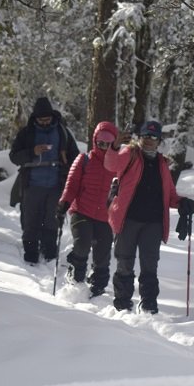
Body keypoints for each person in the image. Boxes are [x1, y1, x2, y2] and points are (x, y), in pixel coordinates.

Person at [104, 120, 194, 313]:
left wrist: (182, 202)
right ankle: (122, 304)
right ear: (141, 137)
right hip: (128, 219)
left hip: (153, 223)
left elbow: (169, 194)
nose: (149, 140)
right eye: (146, 136)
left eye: (154, 137)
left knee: (150, 265)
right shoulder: (129, 154)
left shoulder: (162, 164)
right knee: (125, 262)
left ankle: (149, 306)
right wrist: (115, 146)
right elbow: (110, 164)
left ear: (159, 141)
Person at [56, 121, 130, 296]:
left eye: (108, 143)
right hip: (82, 211)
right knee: (82, 244)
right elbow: (71, 185)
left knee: (102, 255)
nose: (104, 147)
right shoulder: (84, 159)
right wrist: (64, 203)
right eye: (100, 143)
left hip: (106, 217)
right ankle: (75, 279)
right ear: (94, 141)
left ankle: (97, 289)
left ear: (115, 143)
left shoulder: (120, 165)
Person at [9, 96, 79, 264]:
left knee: (52, 219)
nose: (45, 122)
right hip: (32, 183)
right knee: (31, 219)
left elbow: (75, 157)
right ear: (35, 118)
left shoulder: (63, 132)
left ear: (52, 116)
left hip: (56, 184)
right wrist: (32, 151)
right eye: (42, 120)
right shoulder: (27, 133)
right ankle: (30, 252)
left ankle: (50, 252)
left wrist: (66, 164)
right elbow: (14, 157)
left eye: (47, 119)